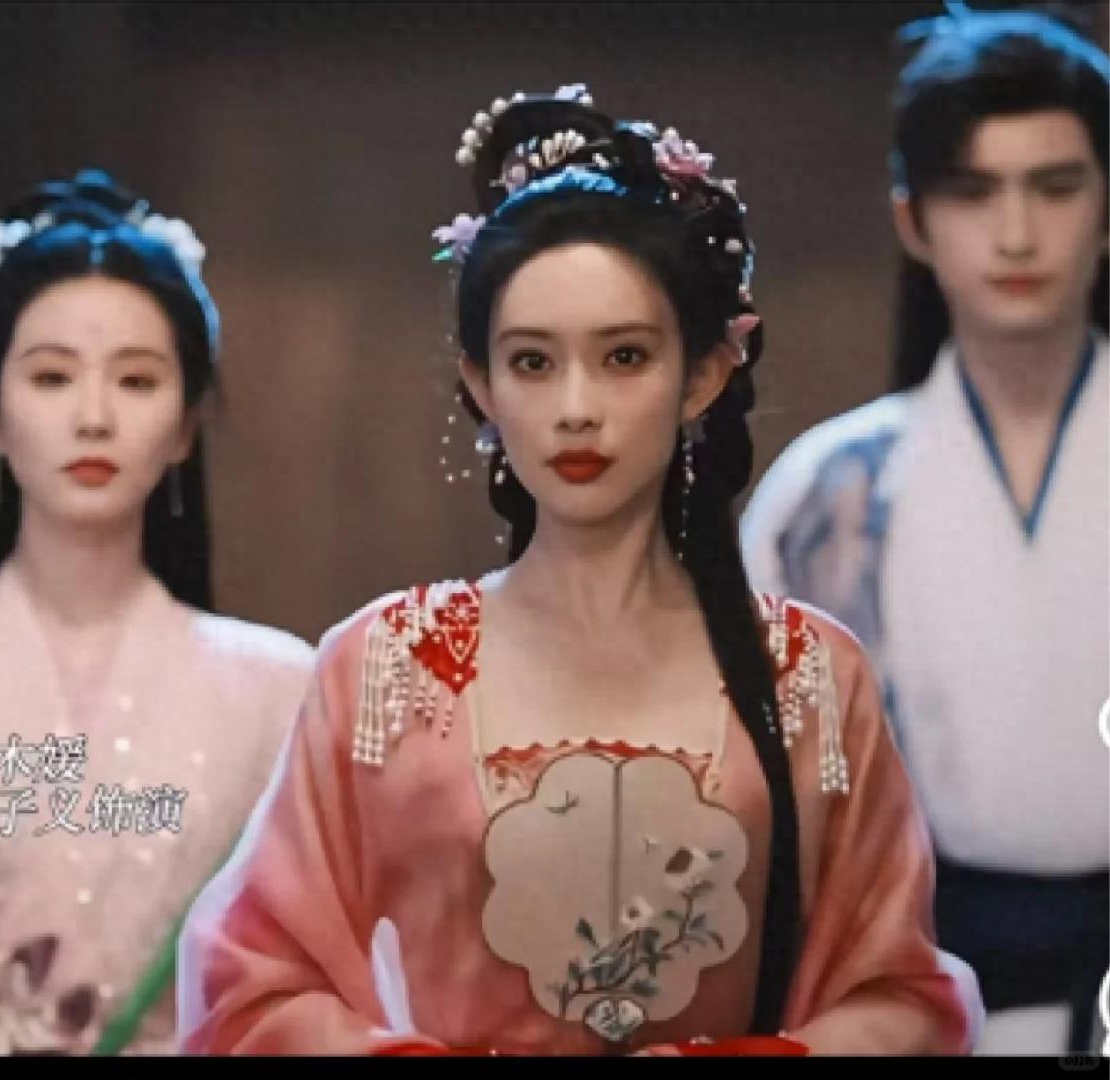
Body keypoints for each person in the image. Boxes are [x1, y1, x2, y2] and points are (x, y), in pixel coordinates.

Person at [177, 87, 978, 1056]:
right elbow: (252, 985)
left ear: (703, 374)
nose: (575, 408)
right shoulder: (386, 665)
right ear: (479, 383)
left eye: (624, 357)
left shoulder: (808, 674)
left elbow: (899, 997)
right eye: (531, 363)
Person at [0, 170, 315, 1055]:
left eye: (137, 381)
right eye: (52, 377)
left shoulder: (279, 690)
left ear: (185, 427)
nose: (94, 417)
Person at [740, 4, 1108, 1055]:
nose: (1016, 234)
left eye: (1055, 186)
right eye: (972, 191)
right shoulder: (825, 494)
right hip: (918, 978)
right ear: (912, 219)